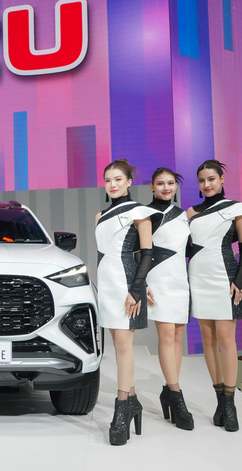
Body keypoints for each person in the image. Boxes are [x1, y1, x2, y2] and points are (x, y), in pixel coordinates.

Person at [187, 160, 242, 432]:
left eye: (211, 179)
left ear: (221, 179)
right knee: (208, 340)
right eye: (202, 180)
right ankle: (219, 399)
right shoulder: (190, 213)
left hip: (225, 278)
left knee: (226, 339)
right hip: (198, 278)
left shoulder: (237, 209)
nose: (207, 184)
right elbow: (187, 247)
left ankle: (230, 404)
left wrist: (239, 281)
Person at [94, 159, 155, 446]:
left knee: (123, 346)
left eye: (118, 179)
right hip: (106, 284)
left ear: (129, 182)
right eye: (108, 180)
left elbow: (146, 253)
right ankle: (132, 401)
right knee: (117, 347)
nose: (113, 184)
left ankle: (121, 409)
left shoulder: (139, 212)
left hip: (126, 283)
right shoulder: (99, 216)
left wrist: (138, 288)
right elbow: (100, 255)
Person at [146, 167, 194, 430]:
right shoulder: (146, 214)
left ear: (176, 186)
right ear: (152, 187)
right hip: (158, 280)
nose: (166, 188)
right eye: (160, 183)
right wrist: (142, 283)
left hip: (180, 280)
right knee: (166, 335)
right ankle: (176, 396)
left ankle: (168, 388)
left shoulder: (184, 216)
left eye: (171, 183)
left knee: (177, 337)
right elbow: (136, 251)